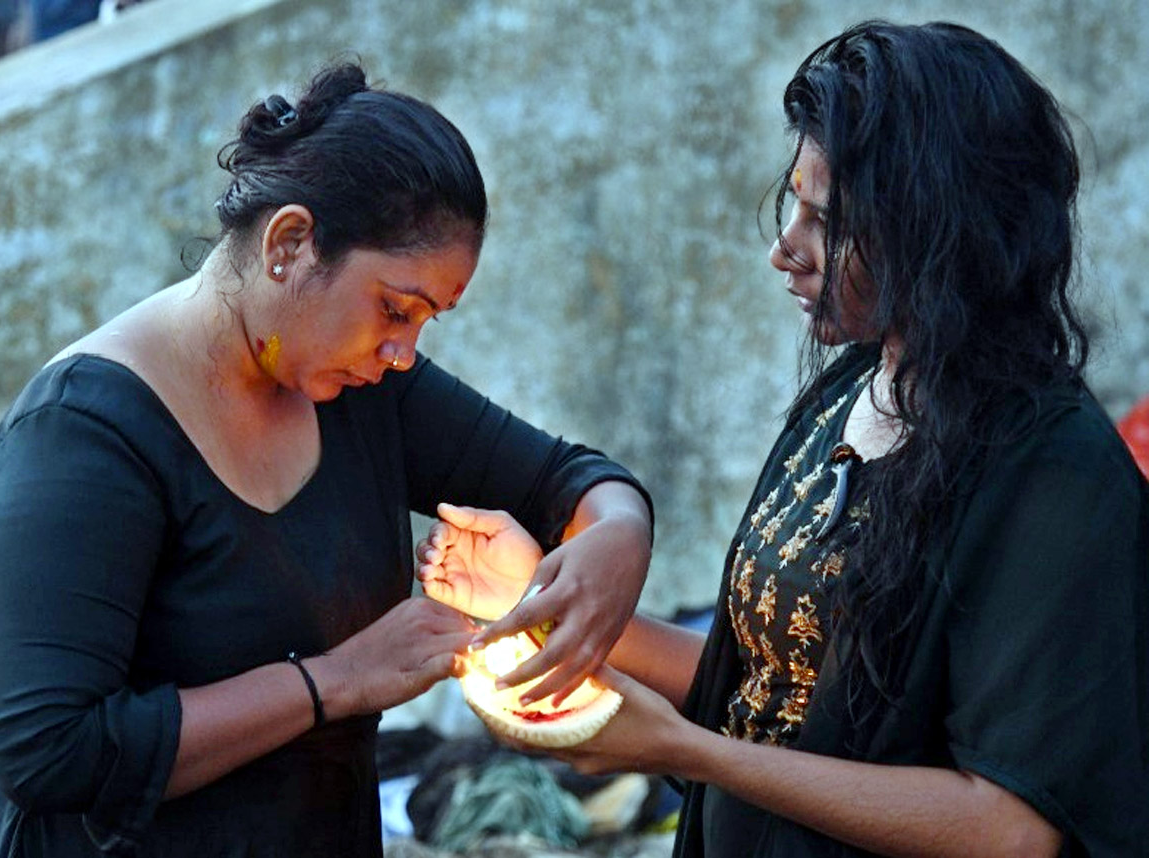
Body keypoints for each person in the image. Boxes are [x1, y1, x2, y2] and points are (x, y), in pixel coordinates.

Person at [418, 20, 1149, 857]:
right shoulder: (856, 386)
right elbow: (768, 683)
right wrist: (545, 604)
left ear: (939, 233)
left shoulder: (1057, 477)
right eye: (792, 202)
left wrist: (688, 750)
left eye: (824, 219)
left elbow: (1011, 827)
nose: (784, 250)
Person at [0, 60, 653, 857]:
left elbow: (568, 477)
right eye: (395, 308)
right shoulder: (82, 435)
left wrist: (618, 536)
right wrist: (337, 679)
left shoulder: (366, 389)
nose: (401, 352)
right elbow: (51, 749)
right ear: (289, 242)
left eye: (427, 321)